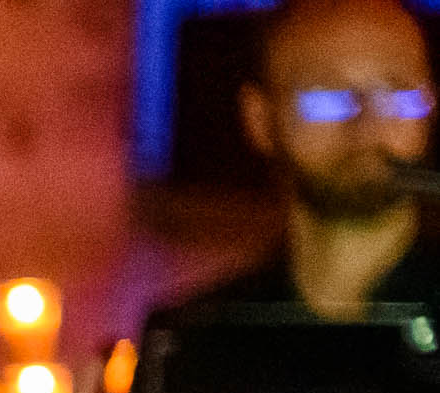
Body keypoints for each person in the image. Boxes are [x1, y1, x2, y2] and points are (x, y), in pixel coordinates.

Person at [186, 0, 440, 320]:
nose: (366, 126)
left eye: (396, 94)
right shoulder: (203, 337)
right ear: (261, 119)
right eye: (326, 98)